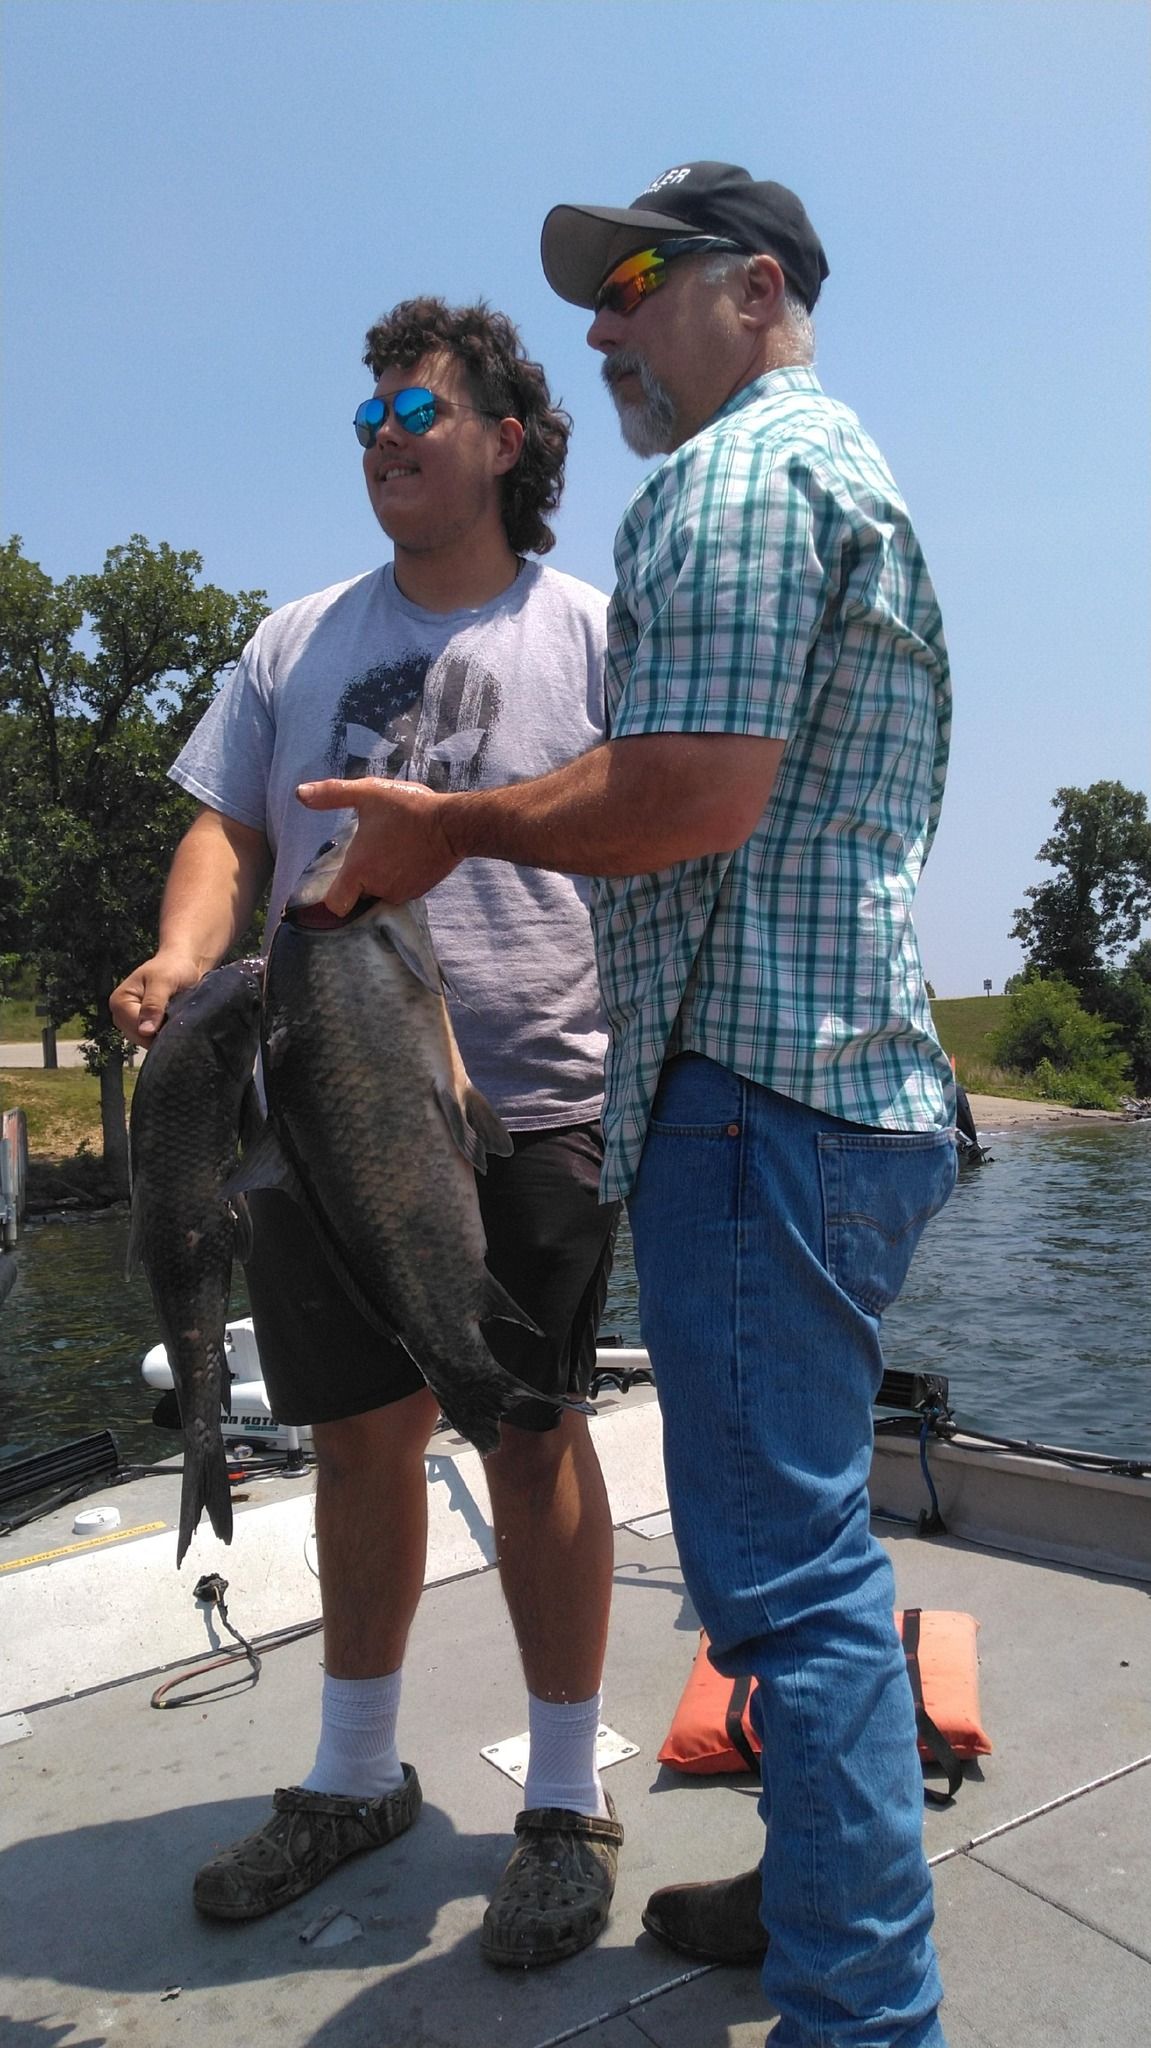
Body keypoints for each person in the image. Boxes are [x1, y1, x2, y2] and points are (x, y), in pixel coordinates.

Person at [294, 165, 959, 2047]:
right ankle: (822, 1880)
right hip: (835, 1090)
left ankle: (862, 2009)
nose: (603, 324)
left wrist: (453, 828)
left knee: (785, 1578)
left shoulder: (734, 480)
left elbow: (688, 793)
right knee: (794, 1551)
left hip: (757, 1098)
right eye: (598, 293)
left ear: (758, 290)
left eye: (639, 277)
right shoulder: (839, 467)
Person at [111, 298, 625, 1971]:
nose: (382, 438)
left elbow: (649, 818)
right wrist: (183, 953)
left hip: (529, 1093)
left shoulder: (590, 632)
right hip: (312, 1112)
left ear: (506, 440)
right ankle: (352, 1777)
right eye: (366, 418)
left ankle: (565, 1803)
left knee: (530, 1432)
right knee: (353, 1437)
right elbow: (224, 833)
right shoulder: (292, 641)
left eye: (416, 410)